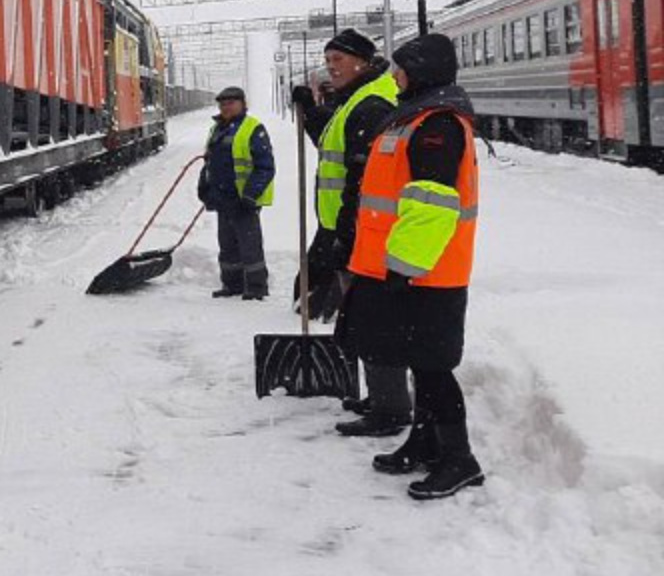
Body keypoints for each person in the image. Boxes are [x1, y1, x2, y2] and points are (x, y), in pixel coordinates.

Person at [342, 33, 484, 500]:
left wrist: (402, 270)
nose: (394, 75)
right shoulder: (415, 118)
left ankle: (460, 459)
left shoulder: (437, 126)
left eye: (401, 67)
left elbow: (432, 204)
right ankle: (425, 441)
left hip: (428, 272)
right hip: (408, 268)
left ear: (420, 71)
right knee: (421, 365)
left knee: (434, 368)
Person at [290, 29, 408, 438]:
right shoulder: (357, 98)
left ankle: (390, 408)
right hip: (354, 226)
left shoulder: (372, 101)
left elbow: (364, 176)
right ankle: (380, 397)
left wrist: (346, 232)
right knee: (362, 318)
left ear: (360, 60)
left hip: (365, 230)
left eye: (338, 60)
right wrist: (310, 111)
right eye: (328, 60)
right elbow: (332, 142)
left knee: (376, 321)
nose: (331, 68)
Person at [196, 86, 275, 300]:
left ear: (242, 104)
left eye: (231, 103)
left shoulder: (252, 128)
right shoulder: (217, 130)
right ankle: (232, 285)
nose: (226, 107)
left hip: (243, 200)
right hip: (222, 199)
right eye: (222, 104)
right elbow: (211, 162)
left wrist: (250, 195)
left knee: (250, 247)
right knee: (227, 246)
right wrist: (205, 186)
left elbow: (265, 167)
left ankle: (256, 288)